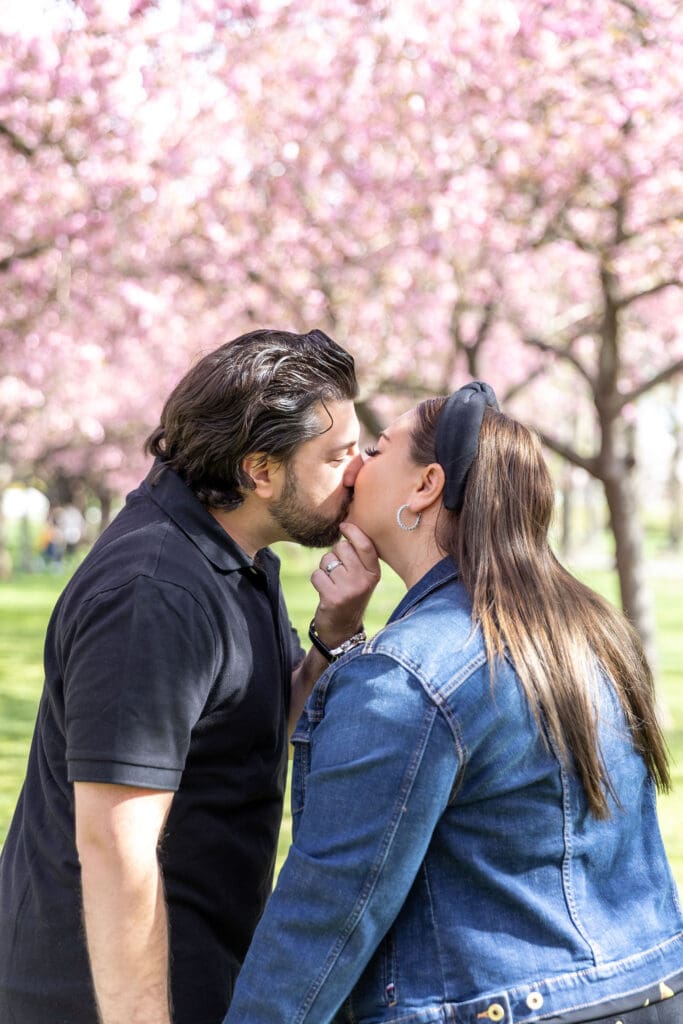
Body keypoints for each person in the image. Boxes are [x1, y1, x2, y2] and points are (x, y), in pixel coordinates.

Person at [223, 381, 683, 1024]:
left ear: (425, 485)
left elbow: (330, 906)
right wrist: (340, 637)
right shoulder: (586, 629)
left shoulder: (411, 672)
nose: (354, 467)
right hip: (649, 988)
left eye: (377, 450)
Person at [0, 328, 380, 1024]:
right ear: (260, 472)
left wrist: (330, 635)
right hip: (100, 999)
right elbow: (115, 845)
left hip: (200, 971)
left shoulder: (238, 556)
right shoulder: (155, 593)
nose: (358, 469)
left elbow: (248, 732)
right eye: (337, 455)